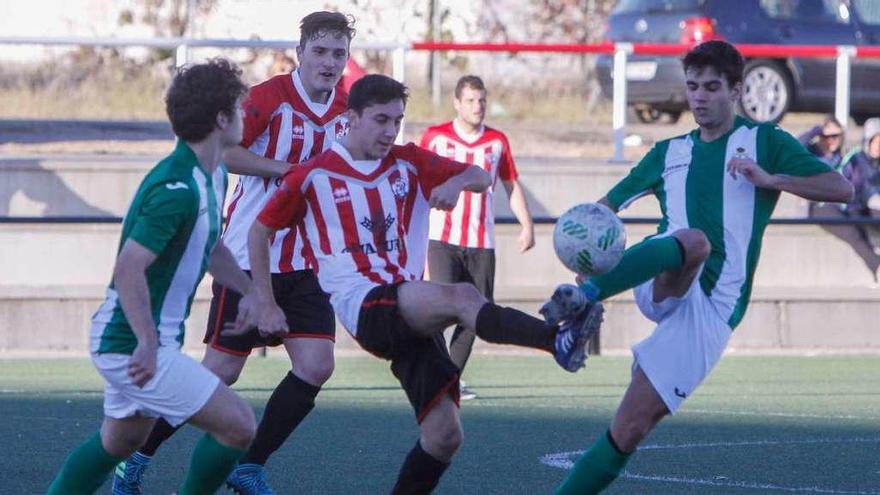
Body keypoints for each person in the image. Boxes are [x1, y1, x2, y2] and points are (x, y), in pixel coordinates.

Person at [249, 74, 601, 493]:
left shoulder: (408, 160)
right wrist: (265, 302)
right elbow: (259, 232)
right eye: (380, 119)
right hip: (364, 305)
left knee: (444, 437)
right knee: (462, 296)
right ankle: (554, 341)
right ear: (352, 118)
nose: (389, 131)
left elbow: (481, 176)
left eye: (396, 121)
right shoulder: (312, 175)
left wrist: (452, 184)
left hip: (408, 303)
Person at [545, 40, 852, 494]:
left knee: (629, 427)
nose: (700, 97)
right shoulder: (667, 152)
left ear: (735, 89)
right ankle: (584, 303)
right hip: (665, 275)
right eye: (692, 87)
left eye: (711, 87)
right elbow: (604, 209)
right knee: (692, 240)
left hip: (713, 309)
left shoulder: (765, 142)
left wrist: (773, 180)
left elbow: (841, 187)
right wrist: (587, 259)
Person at [112, 11, 354, 495]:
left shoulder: (348, 109)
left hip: (307, 261)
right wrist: (287, 169)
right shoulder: (268, 97)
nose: (329, 62)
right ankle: (135, 459)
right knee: (221, 372)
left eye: (339, 53)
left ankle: (249, 465)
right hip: (249, 256)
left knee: (316, 365)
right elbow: (225, 152)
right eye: (321, 51)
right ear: (301, 51)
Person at [47, 58, 260, 495]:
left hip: (141, 341)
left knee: (121, 440)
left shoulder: (213, 173)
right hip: (129, 344)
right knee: (238, 427)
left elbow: (211, 245)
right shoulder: (176, 187)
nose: (246, 116)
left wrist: (251, 292)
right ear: (221, 119)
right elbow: (128, 268)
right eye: (241, 108)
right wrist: (146, 341)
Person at [420, 75, 535, 400]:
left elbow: (511, 185)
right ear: (457, 103)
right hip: (441, 239)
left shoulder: (497, 141)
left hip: (481, 242)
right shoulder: (436, 138)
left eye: (481, 100)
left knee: (477, 315)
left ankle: (447, 380)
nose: (477, 107)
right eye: (470, 100)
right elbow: (417, 181)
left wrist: (526, 224)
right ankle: (432, 375)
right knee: (440, 311)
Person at [811, 118, 880, 281]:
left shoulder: (876, 163)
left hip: (858, 207)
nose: (878, 146)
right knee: (854, 233)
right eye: (876, 141)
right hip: (830, 206)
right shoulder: (856, 159)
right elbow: (850, 190)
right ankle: (877, 266)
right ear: (868, 141)